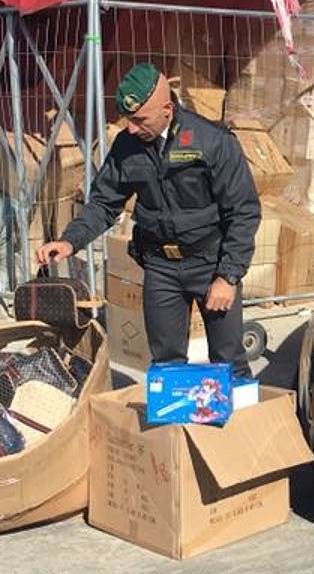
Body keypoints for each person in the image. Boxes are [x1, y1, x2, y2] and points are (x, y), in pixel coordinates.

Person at [37, 62, 260, 377]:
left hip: (210, 263)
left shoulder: (212, 142)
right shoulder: (127, 146)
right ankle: (174, 411)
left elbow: (243, 211)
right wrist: (69, 241)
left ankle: (240, 410)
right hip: (161, 268)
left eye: (139, 120)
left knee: (229, 363)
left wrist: (228, 276)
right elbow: (103, 202)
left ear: (167, 109)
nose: (131, 128)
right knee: (166, 365)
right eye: (128, 119)